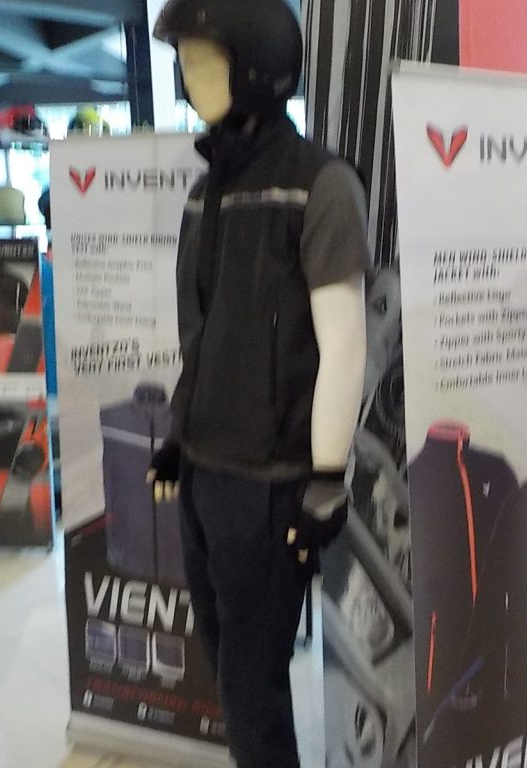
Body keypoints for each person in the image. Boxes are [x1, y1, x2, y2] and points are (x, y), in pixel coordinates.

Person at [146, 1, 370, 766]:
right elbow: (203, 335)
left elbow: (345, 345)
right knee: (230, 675)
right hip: (206, 478)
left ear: (257, 69)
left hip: (271, 488)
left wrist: (328, 479)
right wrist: (181, 435)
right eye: (182, 61)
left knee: (251, 690)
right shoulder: (205, 191)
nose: (187, 76)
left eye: (203, 60)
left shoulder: (321, 185)